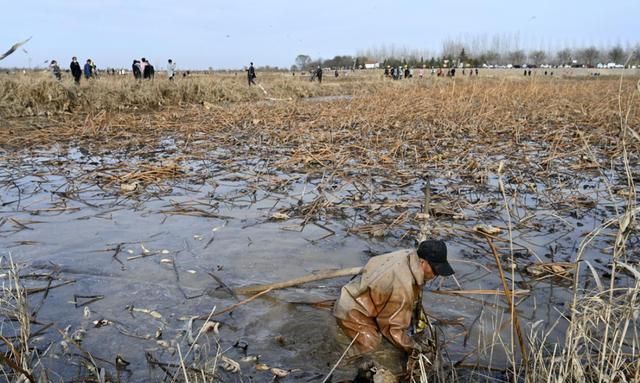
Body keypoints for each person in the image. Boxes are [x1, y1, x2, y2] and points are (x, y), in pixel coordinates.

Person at [333, 240, 455, 354]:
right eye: (435, 269)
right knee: (371, 346)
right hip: (352, 310)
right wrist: (416, 349)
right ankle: (343, 362)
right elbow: (392, 330)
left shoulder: (408, 255)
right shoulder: (403, 287)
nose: (437, 274)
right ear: (422, 263)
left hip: (354, 291)